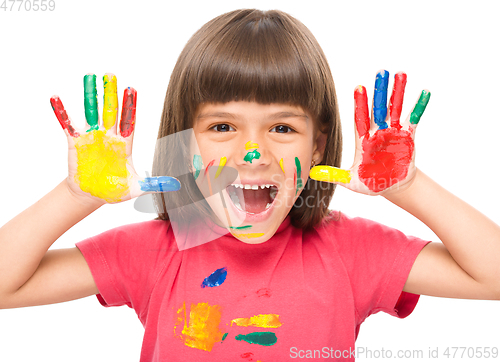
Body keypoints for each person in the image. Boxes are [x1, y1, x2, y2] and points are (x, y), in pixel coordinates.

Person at [1, 8, 499, 362]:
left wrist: (407, 185)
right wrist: (77, 195)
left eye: (282, 128)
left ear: (319, 147)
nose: (251, 153)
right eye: (222, 127)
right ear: (185, 143)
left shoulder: (350, 250)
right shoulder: (157, 250)